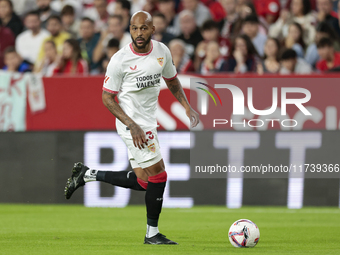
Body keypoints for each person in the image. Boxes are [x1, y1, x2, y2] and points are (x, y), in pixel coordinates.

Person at [64, 11, 199, 245]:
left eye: (143, 28)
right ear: (130, 30)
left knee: (144, 182)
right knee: (159, 175)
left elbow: (172, 80)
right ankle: (152, 234)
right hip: (132, 123)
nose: (138, 33)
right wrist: (132, 125)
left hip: (147, 121)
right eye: (134, 28)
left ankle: (87, 175)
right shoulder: (119, 59)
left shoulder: (162, 51)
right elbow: (107, 98)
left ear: (152, 30)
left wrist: (186, 106)